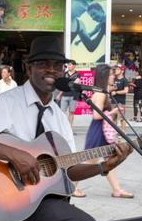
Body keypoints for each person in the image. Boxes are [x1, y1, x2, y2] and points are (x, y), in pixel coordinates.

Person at [0, 36, 133, 221]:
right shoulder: (7, 102)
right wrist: (13, 155)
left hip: (40, 199)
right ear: (29, 69)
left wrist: (103, 167)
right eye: (43, 64)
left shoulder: (59, 118)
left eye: (57, 65)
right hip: (6, 199)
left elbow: (68, 170)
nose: (51, 70)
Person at [81, 64, 134, 199]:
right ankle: (71, 187)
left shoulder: (101, 92)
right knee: (90, 161)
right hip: (99, 131)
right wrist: (113, 112)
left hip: (100, 130)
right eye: (111, 74)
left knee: (108, 160)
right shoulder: (100, 94)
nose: (113, 76)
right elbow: (97, 115)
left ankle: (117, 189)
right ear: (105, 76)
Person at [56, 60, 80, 126]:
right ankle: (63, 128)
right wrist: (59, 95)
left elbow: (77, 83)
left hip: (73, 95)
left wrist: (71, 83)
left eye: (70, 65)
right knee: (62, 112)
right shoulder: (65, 74)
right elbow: (63, 85)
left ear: (74, 66)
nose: (69, 66)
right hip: (64, 95)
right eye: (68, 65)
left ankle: (69, 128)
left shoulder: (77, 74)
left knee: (71, 112)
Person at [110, 65, 129, 130]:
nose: (116, 70)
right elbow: (110, 88)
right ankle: (113, 132)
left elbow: (126, 90)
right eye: (116, 69)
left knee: (122, 118)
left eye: (118, 69)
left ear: (122, 71)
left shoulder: (124, 80)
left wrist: (116, 92)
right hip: (113, 101)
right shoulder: (113, 79)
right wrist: (111, 90)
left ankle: (123, 132)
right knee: (113, 117)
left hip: (121, 102)